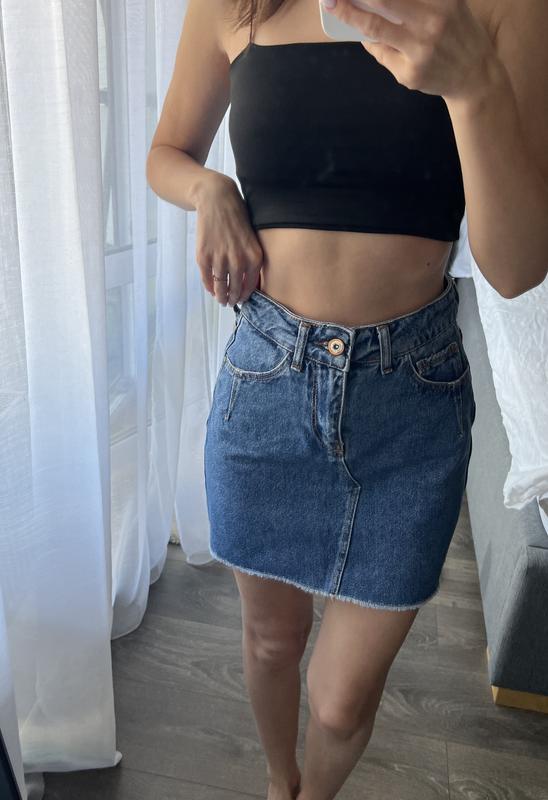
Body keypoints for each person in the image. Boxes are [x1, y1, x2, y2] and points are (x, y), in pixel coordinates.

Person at [146, 1, 548, 798]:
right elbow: (167, 153)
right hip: (267, 380)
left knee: (339, 702)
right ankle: (279, 783)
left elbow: (516, 268)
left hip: (412, 405)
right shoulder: (236, 4)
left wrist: (473, 88)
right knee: (270, 641)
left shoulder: (506, 8)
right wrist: (210, 190)